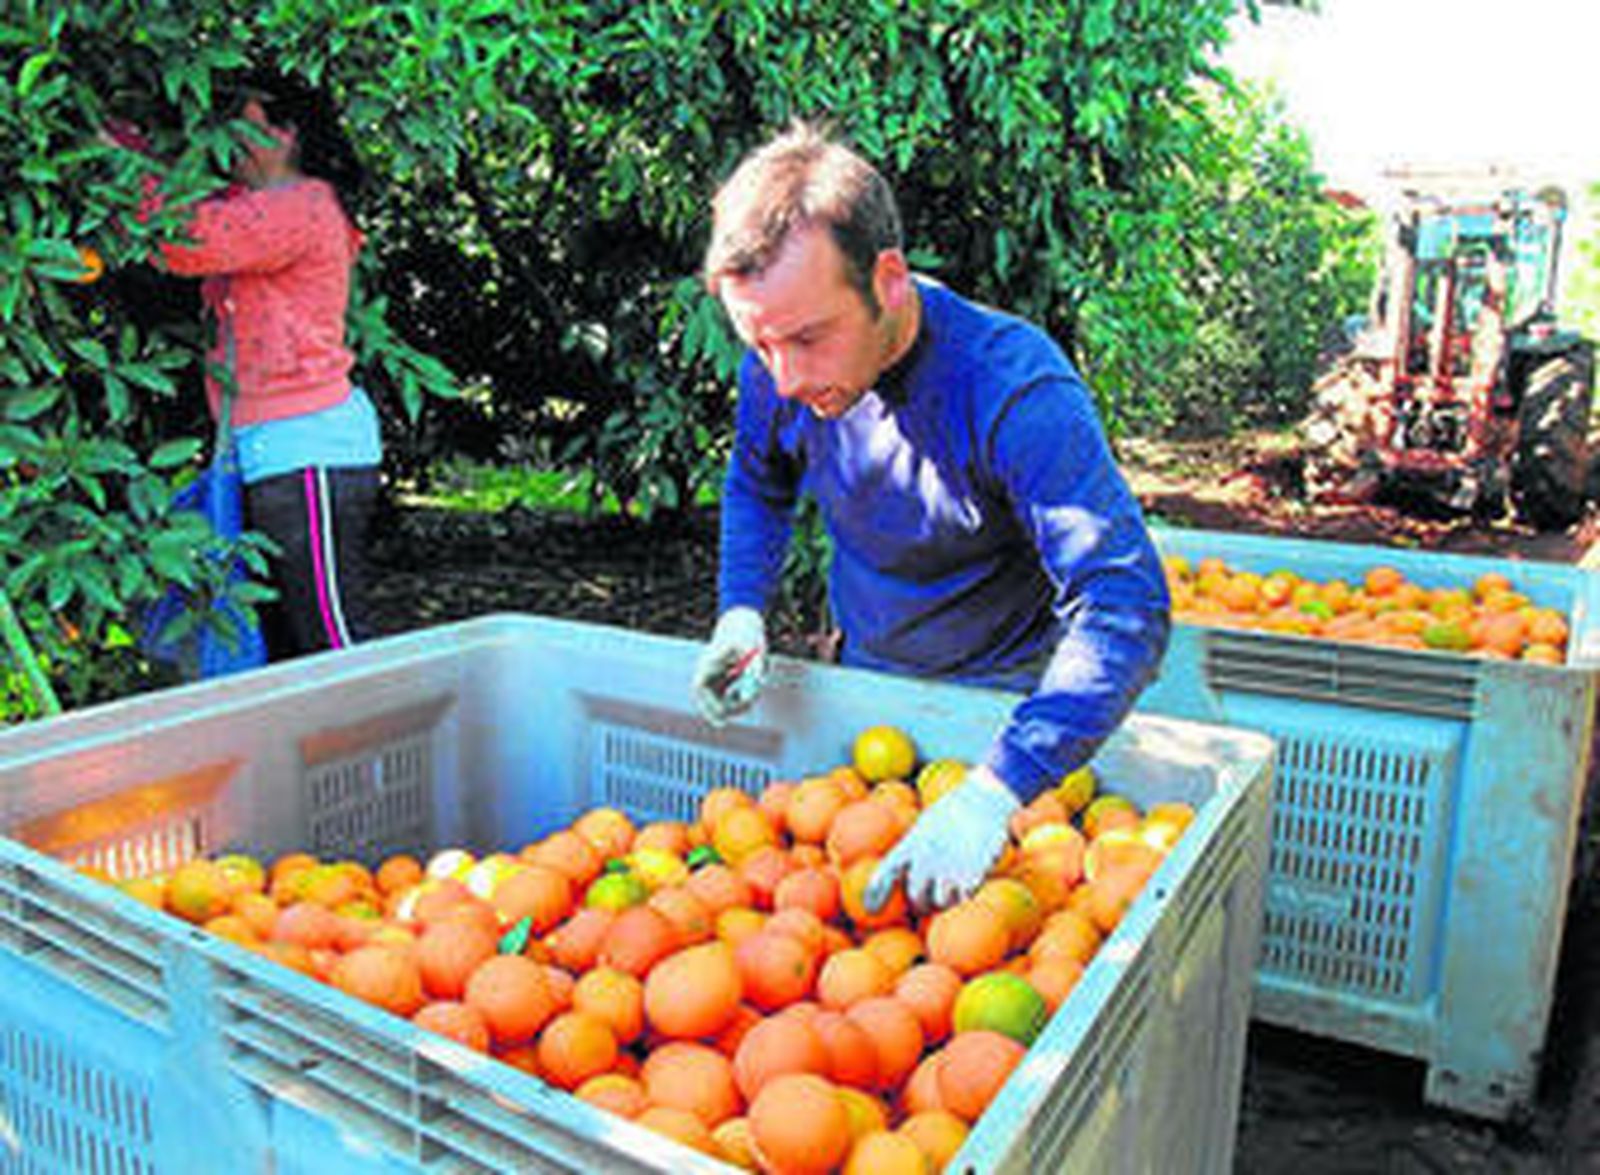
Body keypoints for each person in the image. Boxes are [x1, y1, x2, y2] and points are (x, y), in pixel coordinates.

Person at [690, 123, 1171, 914]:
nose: (782, 378)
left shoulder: (1013, 390)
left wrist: (998, 790)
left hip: (1011, 713)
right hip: (871, 689)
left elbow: (1125, 607)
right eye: (760, 343)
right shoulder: (780, 363)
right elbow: (757, 481)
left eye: (809, 337)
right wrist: (742, 609)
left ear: (888, 280)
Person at [115, 71, 379, 660]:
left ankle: (384, 754)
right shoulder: (255, 205)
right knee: (283, 642)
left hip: (311, 450)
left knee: (334, 638)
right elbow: (194, 211)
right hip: (269, 450)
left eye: (246, 124)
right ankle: (311, 752)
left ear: (287, 134)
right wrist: (126, 143)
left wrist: (117, 163)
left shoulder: (305, 205)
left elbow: (188, 238)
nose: (228, 138)